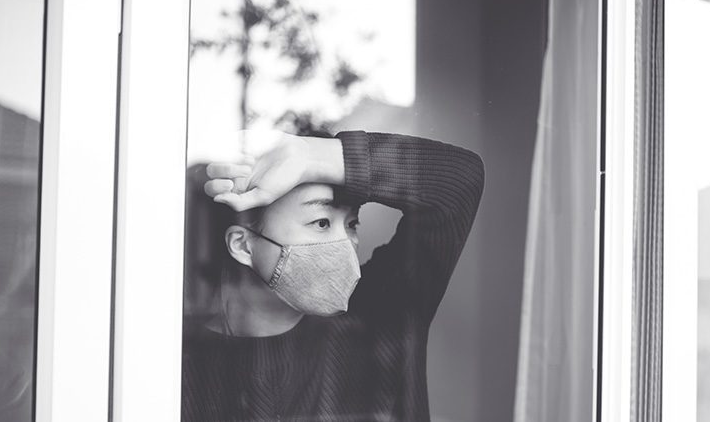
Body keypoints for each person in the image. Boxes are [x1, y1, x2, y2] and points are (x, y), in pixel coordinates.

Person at [181, 130, 485, 421]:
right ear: (243, 246)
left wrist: (313, 156)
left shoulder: (380, 316)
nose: (345, 245)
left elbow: (458, 184)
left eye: (352, 224)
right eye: (322, 222)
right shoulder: (179, 360)